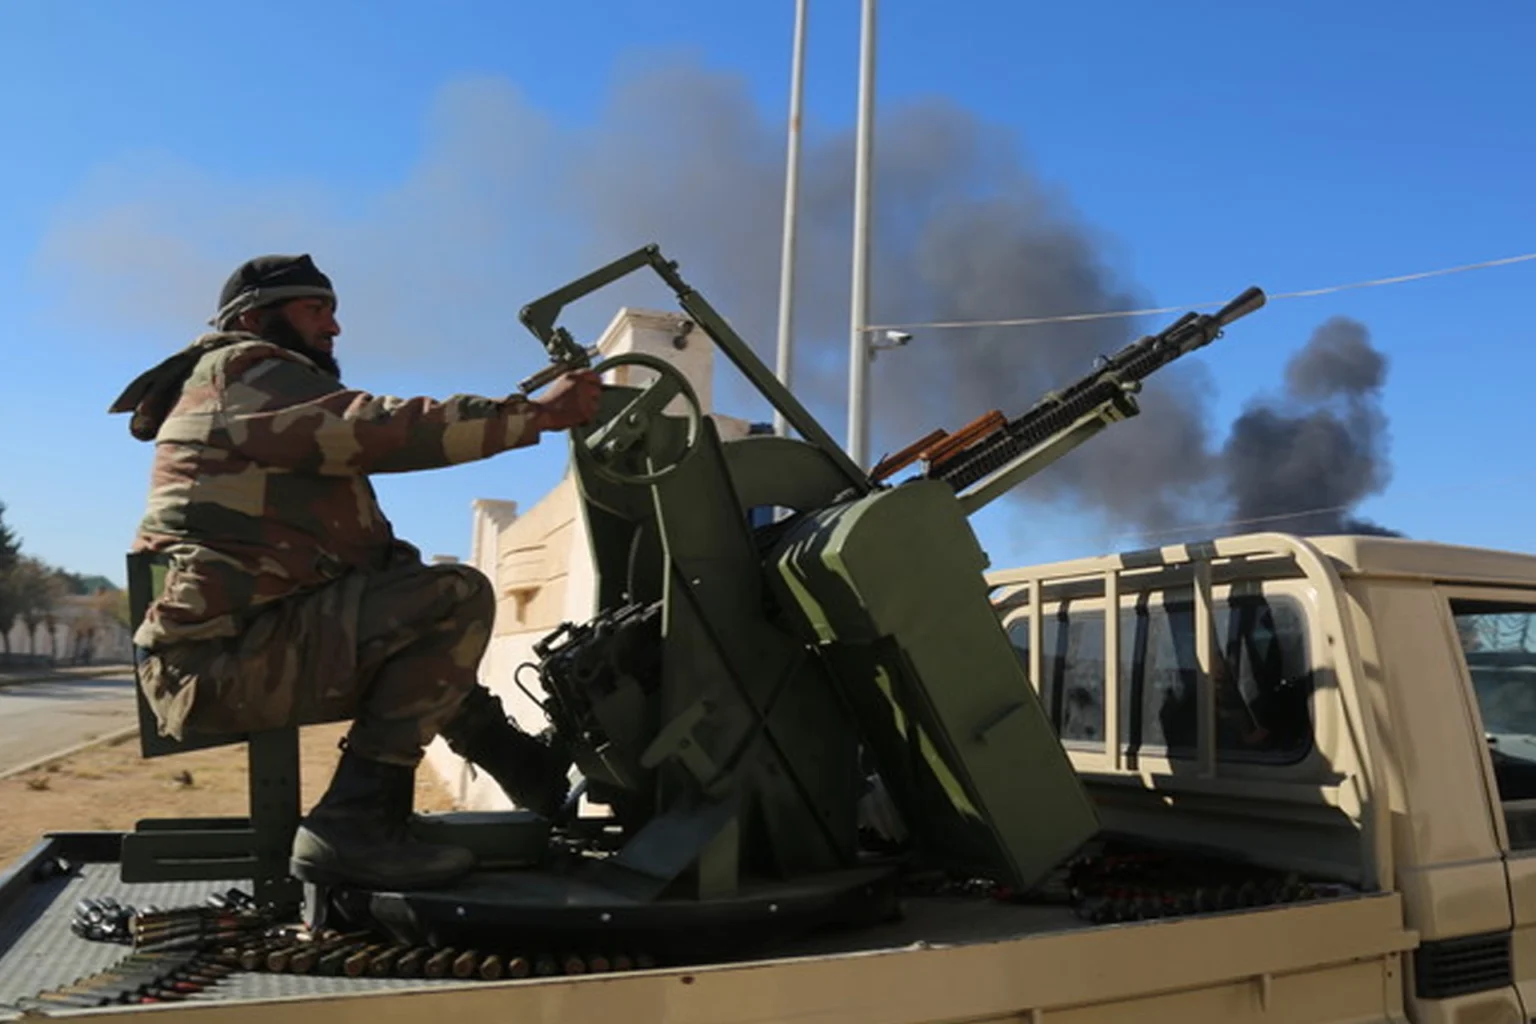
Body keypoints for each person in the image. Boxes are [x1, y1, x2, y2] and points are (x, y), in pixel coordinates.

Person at [109, 253, 602, 890]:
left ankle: (519, 769)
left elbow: (376, 570)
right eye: (314, 310)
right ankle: (354, 824)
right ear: (254, 318)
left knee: (417, 605)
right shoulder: (244, 373)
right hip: (217, 663)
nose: (334, 327)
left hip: (235, 649)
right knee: (455, 597)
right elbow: (378, 427)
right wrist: (536, 415)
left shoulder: (269, 417)